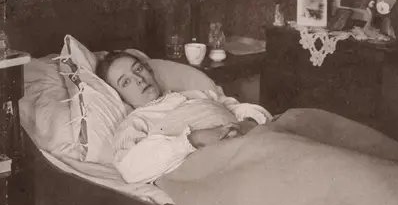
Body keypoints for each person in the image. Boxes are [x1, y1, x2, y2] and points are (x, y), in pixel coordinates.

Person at [96, 51, 272, 183]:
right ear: (119, 95)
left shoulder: (196, 94)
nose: (139, 79)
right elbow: (130, 169)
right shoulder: (135, 122)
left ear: (149, 70)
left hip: (250, 141)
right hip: (216, 166)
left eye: (138, 69)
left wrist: (248, 123)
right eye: (126, 82)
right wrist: (193, 139)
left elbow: (240, 108)